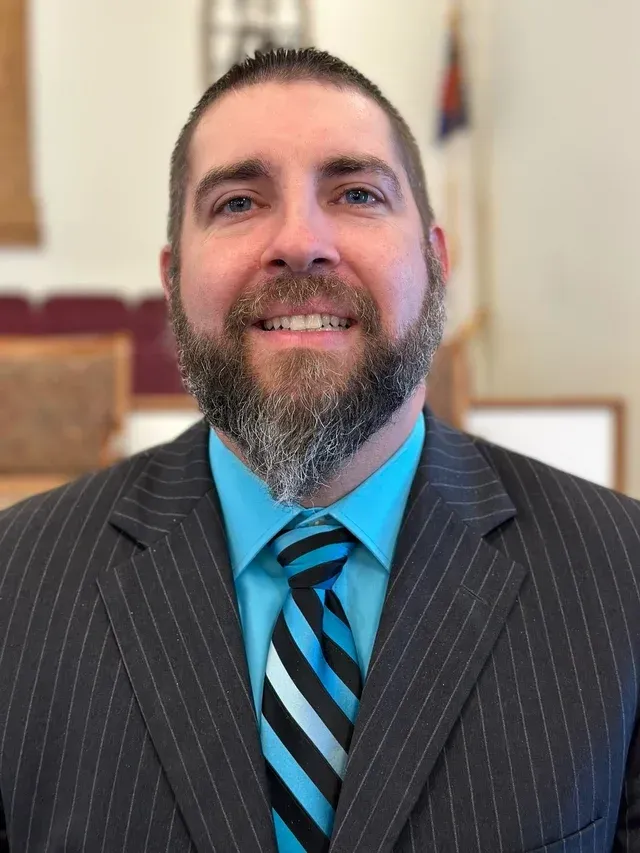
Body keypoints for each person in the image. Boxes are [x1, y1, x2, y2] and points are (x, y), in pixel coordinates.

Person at [0, 46, 639, 853]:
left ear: (435, 264)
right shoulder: (12, 590)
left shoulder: (624, 581)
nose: (301, 241)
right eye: (238, 202)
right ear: (172, 280)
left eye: (357, 193)